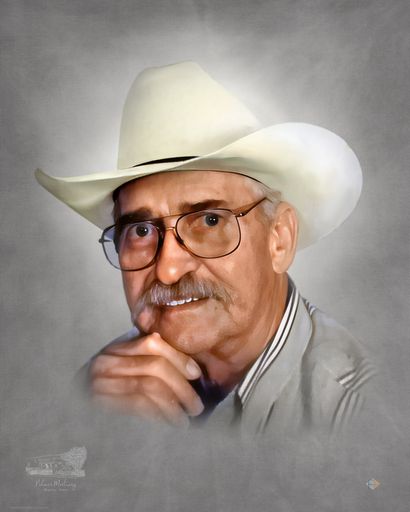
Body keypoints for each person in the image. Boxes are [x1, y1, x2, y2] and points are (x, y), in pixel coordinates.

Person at [35, 61, 375, 435]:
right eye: (141, 230)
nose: (168, 270)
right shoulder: (99, 388)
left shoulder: (363, 411)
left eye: (210, 221)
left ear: (279, 239)